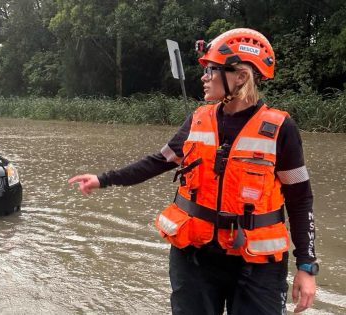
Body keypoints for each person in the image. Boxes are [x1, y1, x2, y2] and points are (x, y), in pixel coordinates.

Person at [68, 28, 317, 314]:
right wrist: (103, 179)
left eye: (211, 70)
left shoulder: (280, 129)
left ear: (241, 76)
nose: (204, 77)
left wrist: (306, 266)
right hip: (195, 257)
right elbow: (157, 162)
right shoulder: (197, 120)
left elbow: (300, 200)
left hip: (257, 266)